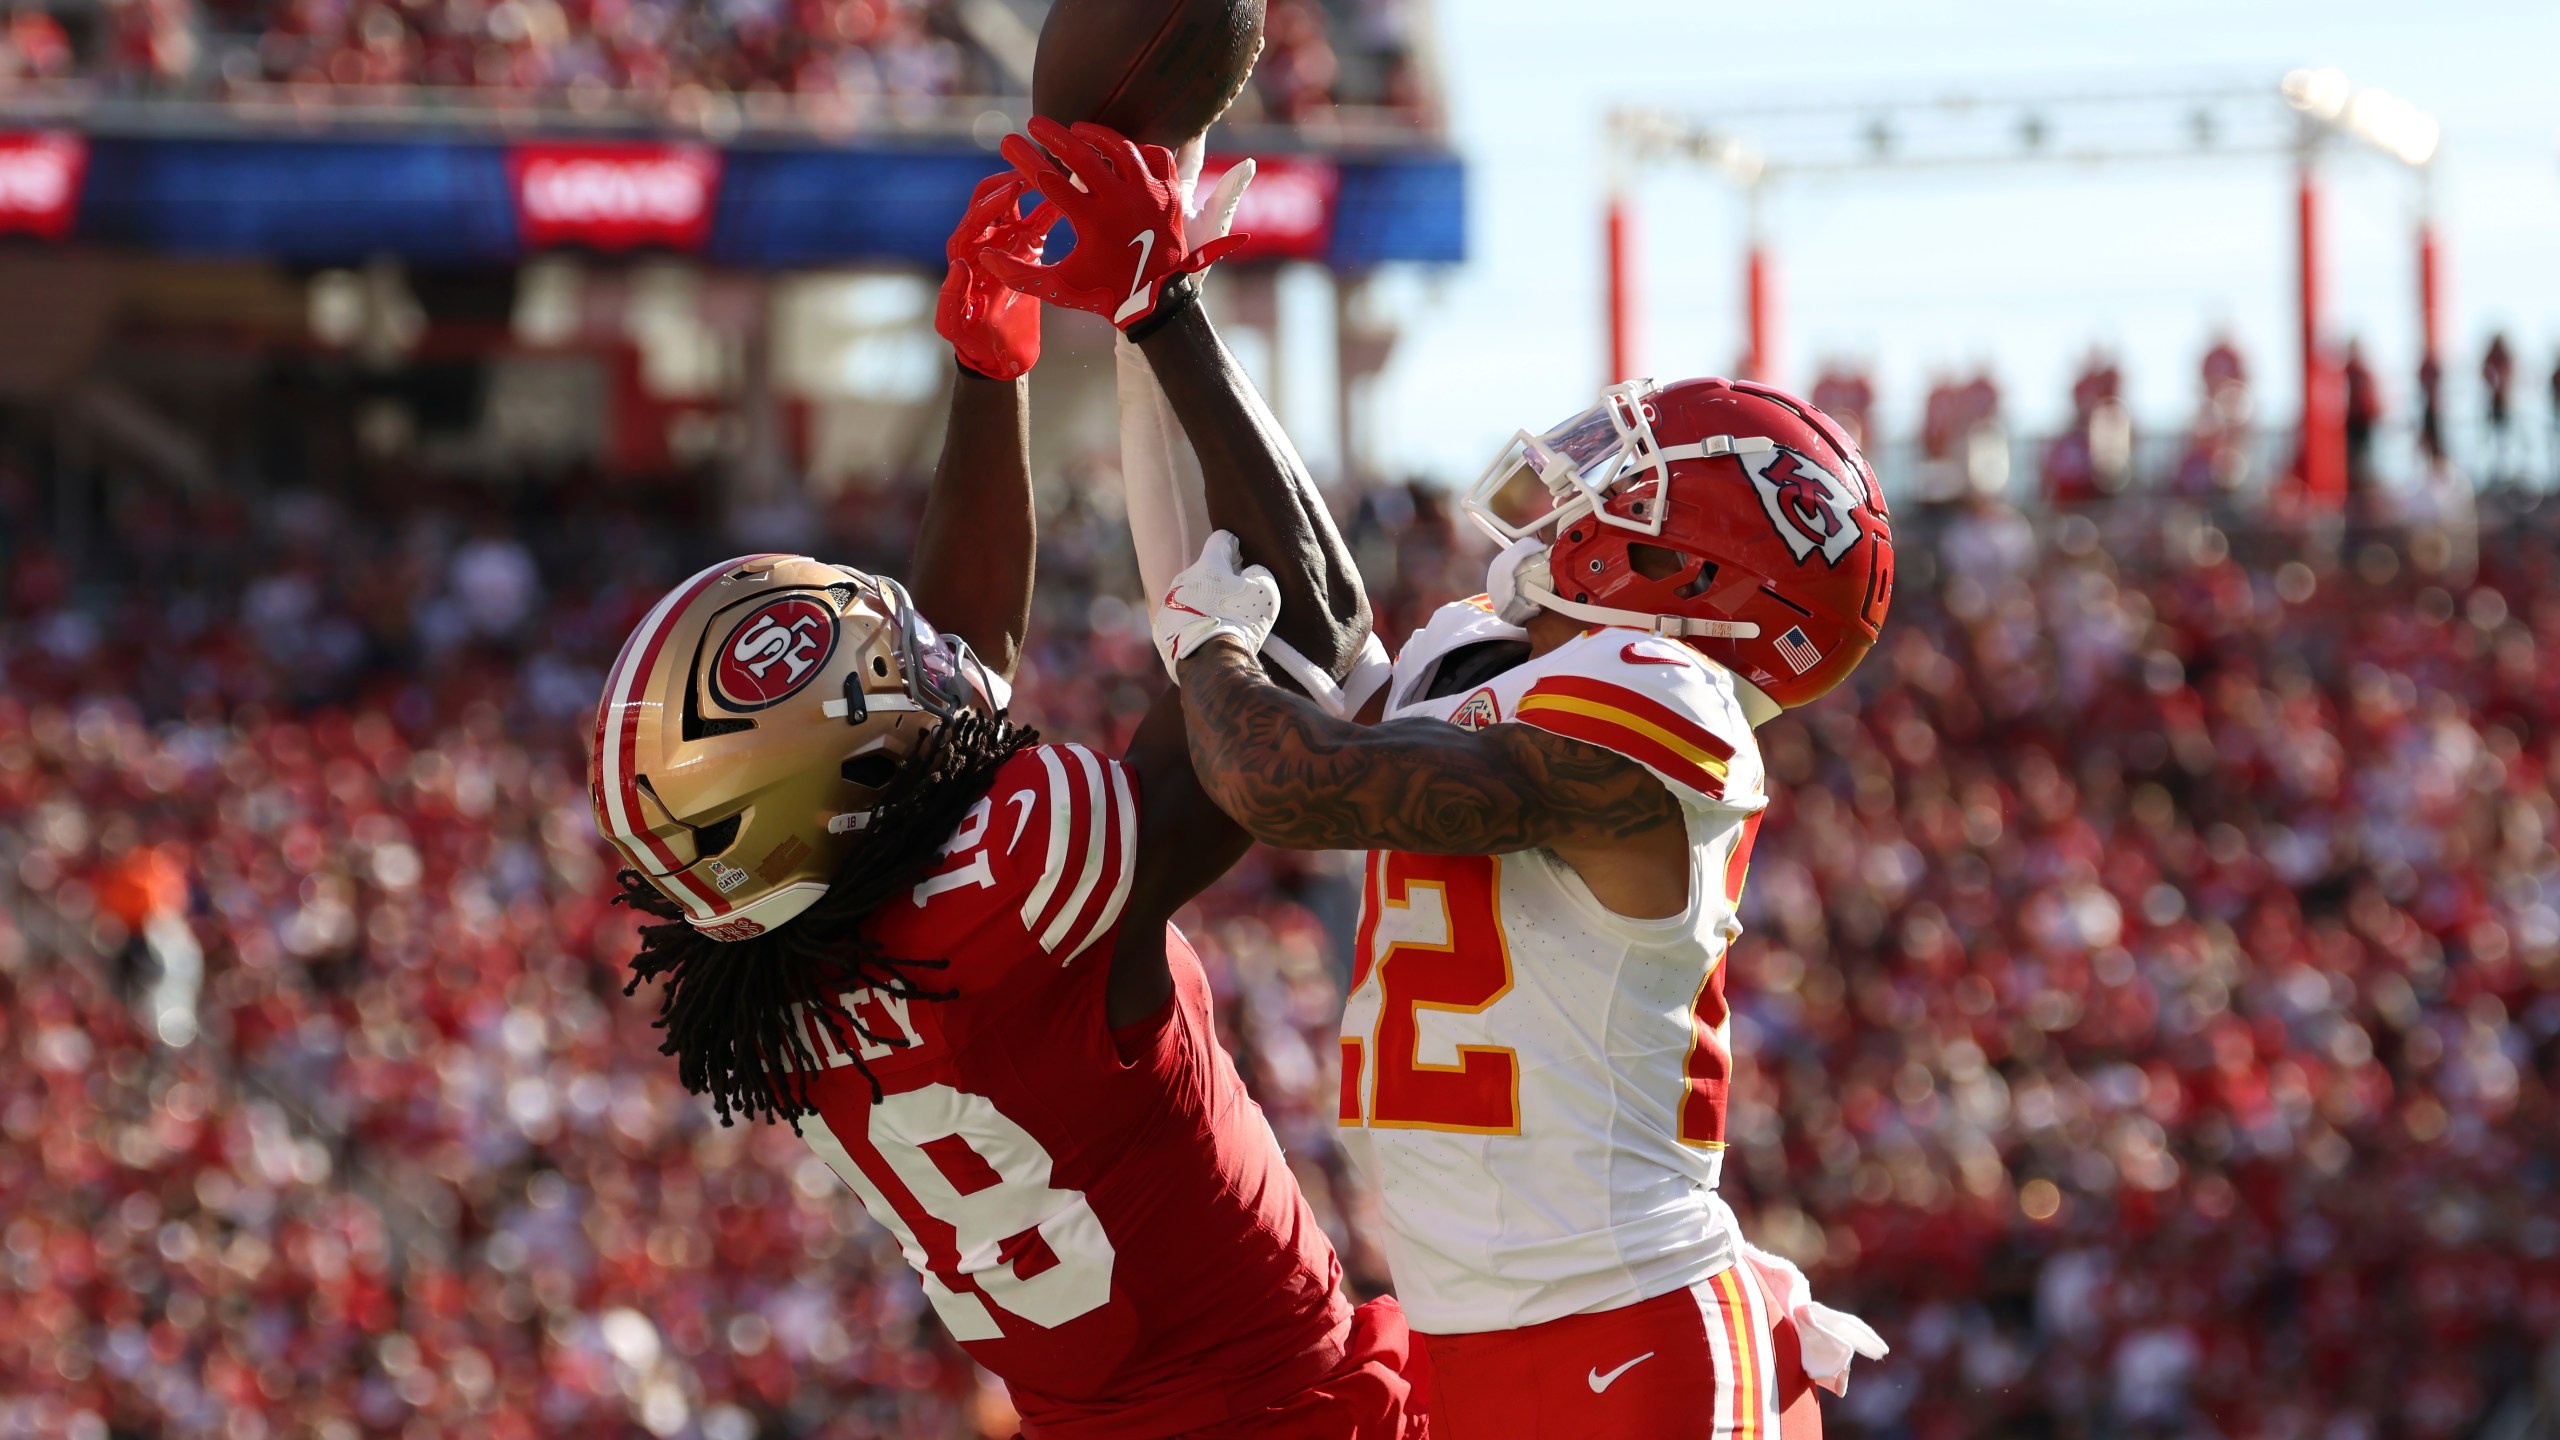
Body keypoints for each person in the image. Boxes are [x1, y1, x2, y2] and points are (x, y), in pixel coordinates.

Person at [592, 146, 1424, 1438]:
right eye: (882, 675)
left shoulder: (773, 985)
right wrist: (1165, 306)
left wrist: (990, 376)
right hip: (1284, 1412)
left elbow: (958, 676)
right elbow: (1318, 652)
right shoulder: (1010, 900)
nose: (919, 656)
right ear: (854, 783)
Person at [1135, 377, 1892, 1436]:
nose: (1586, 491)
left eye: (1634, 483)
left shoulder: (1667, 699)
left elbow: (1288, 784)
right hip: (1479, 1338)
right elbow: (1313, 614)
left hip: (1637, 1336)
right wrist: (1166, 315)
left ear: (1686, 564)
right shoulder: (1487, 655)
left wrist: (1204, 647)